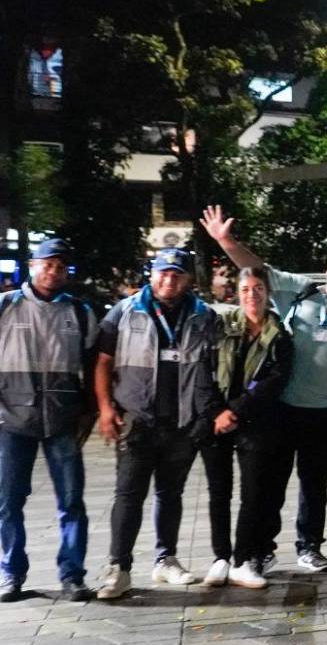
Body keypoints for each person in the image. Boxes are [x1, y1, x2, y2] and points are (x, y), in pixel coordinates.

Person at [199, 205, 327, 574]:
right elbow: (257, 270)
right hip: (284, 409)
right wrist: (225, 241)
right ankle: (262, 548)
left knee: (314, 485)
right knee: (272, 483)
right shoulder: (300, 291)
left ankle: (309, 546)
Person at [94, 248, 216, 599]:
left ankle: (166, 559)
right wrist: (105, 407)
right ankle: (119, 568)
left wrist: (202, 415)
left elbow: (211, 367)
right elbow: (102, 362)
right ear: (152, 275)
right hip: (137, 420)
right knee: (128, 495)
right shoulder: (125, 311)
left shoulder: (202, 316)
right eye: (164, 272)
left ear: (188, 279)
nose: (169, 279)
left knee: (171, 494)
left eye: (177, 273)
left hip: (180, 423)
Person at [0, 239, 98, 602]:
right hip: (11, 421)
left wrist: (90, 413)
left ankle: (72, 575)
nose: (53, 271)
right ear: (32, 265)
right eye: (47, 264)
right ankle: (12, 573)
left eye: (60, 266)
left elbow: (92, 366)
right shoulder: (6, 306)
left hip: (62, 420)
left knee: (72, 501)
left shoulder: (79, 311)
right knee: (8, 502)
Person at [197, 266, 293, 589]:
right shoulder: (219, 326)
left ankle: (243, 558)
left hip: (254, 421)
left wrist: (234, 411)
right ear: (237, 294)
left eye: (258, 289)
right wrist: (215, 411)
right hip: (215, 419)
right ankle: (220, 557)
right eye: (246, 289)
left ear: (267, 293)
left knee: (254, 492)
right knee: (218, 491)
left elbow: (274, 381)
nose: (252, 295)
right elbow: (202, 370)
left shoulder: (279, 335)